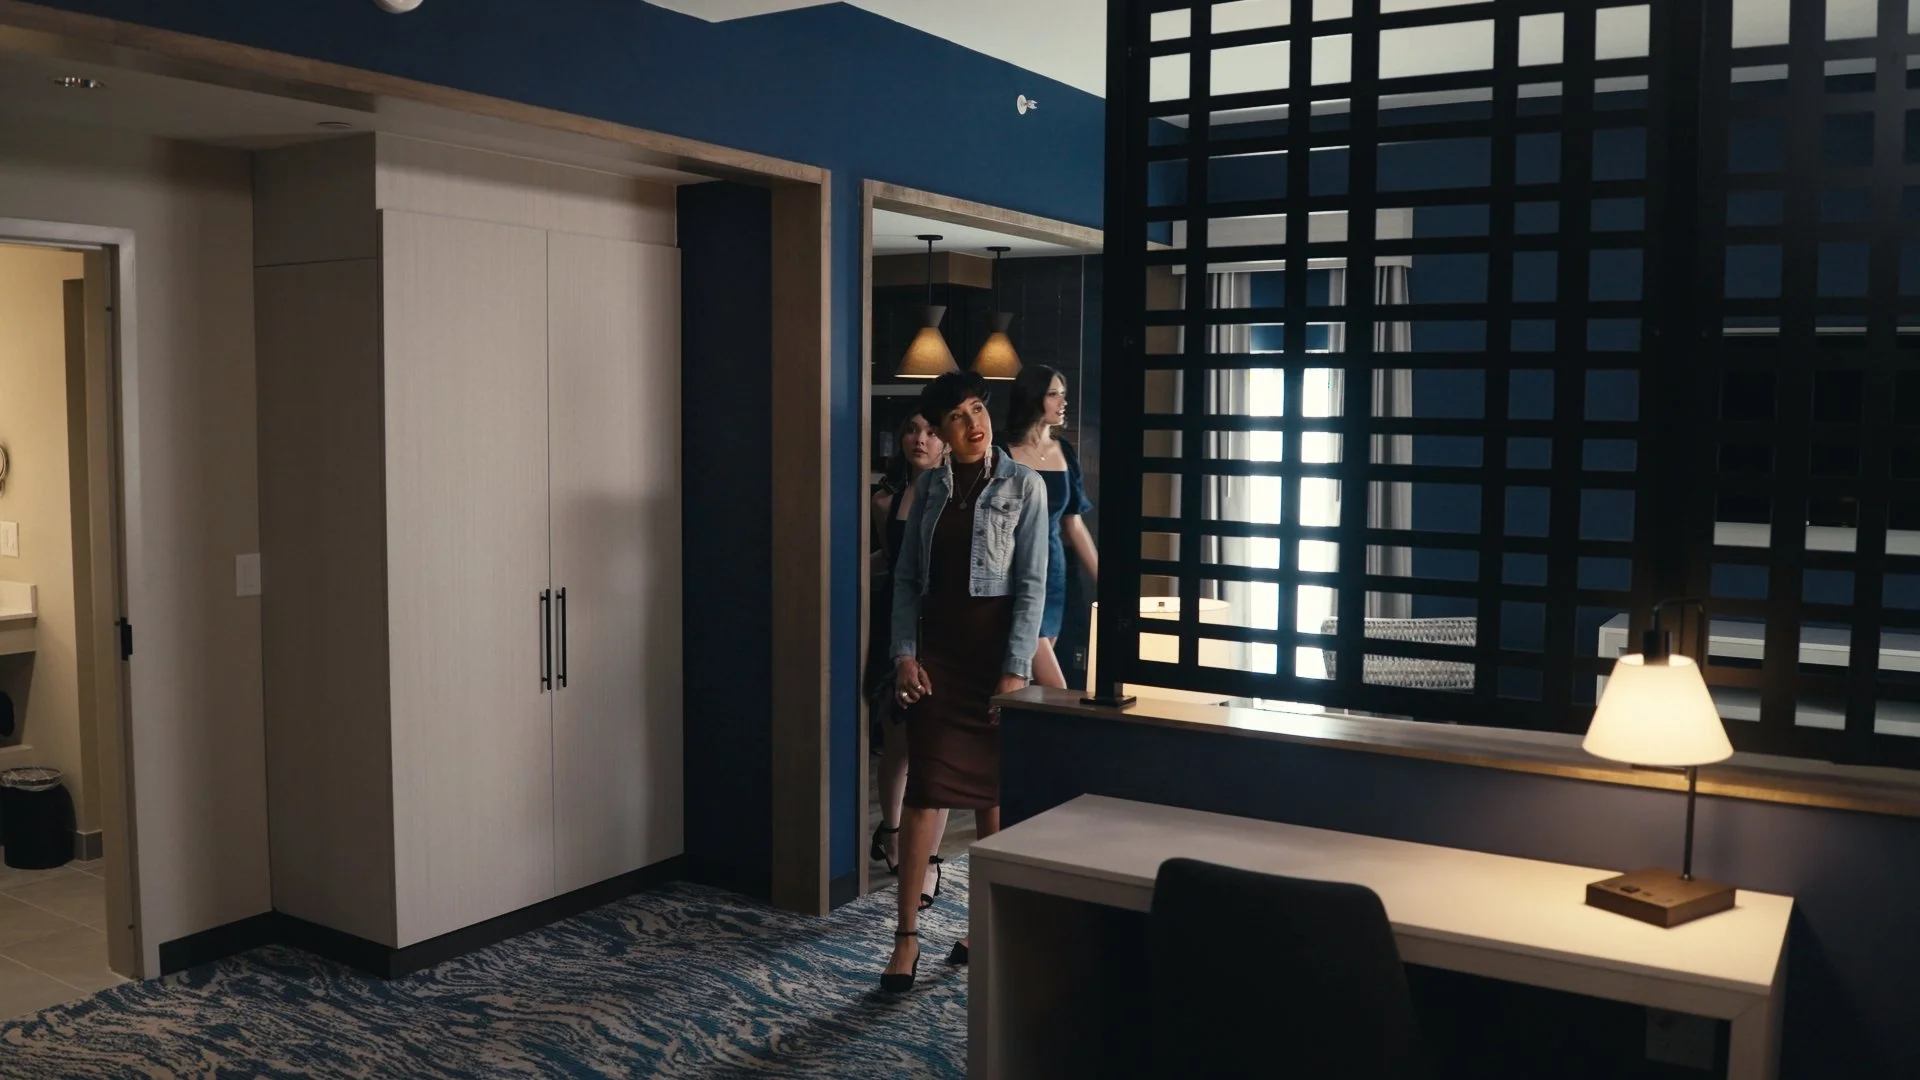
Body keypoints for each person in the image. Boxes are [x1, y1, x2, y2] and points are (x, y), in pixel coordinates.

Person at [880, 370, 1048, 993]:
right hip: (937, 657)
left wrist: (1014, 669)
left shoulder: (1025, 485)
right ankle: (905, 938)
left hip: (993, 655)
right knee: (926, 788)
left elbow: (1030, 585)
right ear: (942, 431)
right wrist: (903, 655)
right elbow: (904, 582)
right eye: (957, 416)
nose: (973, 423)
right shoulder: (928, 492)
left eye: (978, 409)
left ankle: (986, 924)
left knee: (992, 795)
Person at [864, 413, 949, 910]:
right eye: (913, 429)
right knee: (895, 740)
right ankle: (892, 831)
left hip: (939, 629)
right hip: (895, 628)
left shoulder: (954, 500)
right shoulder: (885, 500)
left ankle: (931, 859)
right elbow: (887, 563)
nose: (921, 438)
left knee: (930, 747)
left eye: (932, 431)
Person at [1003, 365, 1098, 689]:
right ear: (1033, 398)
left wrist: (1106, 580)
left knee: (1031, 687)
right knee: (1053, 688)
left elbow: (1074, 523)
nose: (1062, 402)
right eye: (1053, 394)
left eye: (1064, 395)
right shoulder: (1003, 454)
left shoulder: (1065, 452)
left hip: (1054, 574)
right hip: (1013, 574)